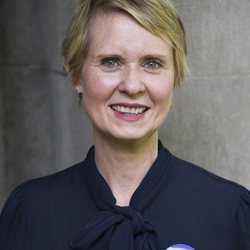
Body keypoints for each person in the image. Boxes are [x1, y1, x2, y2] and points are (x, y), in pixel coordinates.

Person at [0, 0, 249, 249]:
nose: (132, 86)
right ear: (75, 74)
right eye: (111, 62)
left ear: (175, 77)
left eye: (152, 63)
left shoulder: (229, 213)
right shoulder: (30, 213)